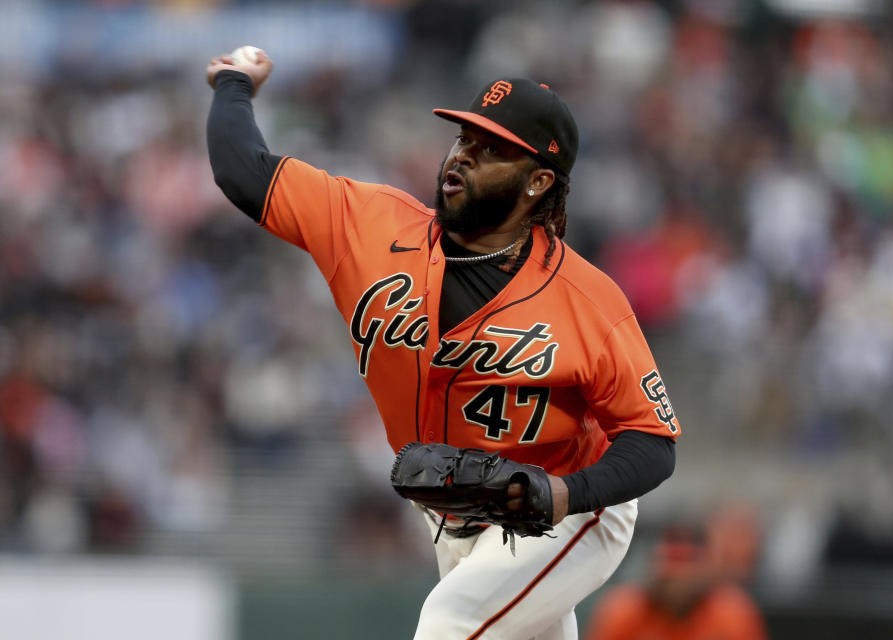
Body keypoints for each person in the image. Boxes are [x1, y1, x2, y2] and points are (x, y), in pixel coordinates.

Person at [205, 49, 680, 640]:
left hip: (572, 512)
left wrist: (566, 494)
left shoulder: (588, 299)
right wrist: (233, 83)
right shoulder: (371, 224)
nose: (464, 156)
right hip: (454, 520)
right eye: (465, 137)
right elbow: (243, 171)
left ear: (538, 182)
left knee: (450, 623)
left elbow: (653, 442)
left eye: (492, 149)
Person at [585, 524, 768, 640]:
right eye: (672, 561)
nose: (679, 579)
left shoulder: (731, 612)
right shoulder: (624, 609)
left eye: (687, 561)